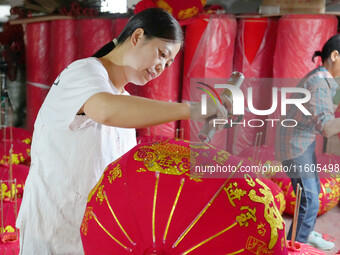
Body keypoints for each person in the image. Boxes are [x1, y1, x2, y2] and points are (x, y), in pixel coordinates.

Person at [16, 8, 229, 254]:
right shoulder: (83, 73)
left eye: (169, 63)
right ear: (137, 37)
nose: (162, 68)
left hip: (93, 232)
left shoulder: (124, 101)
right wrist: (190, 109)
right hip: (54, 230)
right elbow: (105, 109)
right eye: (161, 54)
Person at [276, 34, 340, 251]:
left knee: (310, 196)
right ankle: (294, 247)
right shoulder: (319, 83)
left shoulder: (326, 80)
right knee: (309, 201)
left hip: (303, 140)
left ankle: (305, 232)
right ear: (335, 56)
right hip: (294, 146)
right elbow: (328, 128)